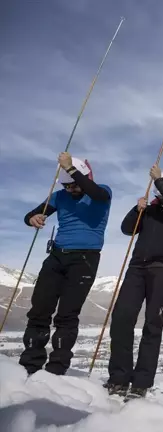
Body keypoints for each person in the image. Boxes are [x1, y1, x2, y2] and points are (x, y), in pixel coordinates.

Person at [104, 168, 163, 401]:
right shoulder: (150, 209)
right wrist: (138, 209)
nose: (161, 195)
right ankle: (119, 376)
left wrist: (158, 179)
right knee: (122, 318)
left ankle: (141, 382)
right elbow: (127, 229)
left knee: (153, 325)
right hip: (137, 268)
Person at [19, 153, 112, 376]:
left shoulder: (102, 191)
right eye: (67, 186)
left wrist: (71, 170)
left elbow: (95, 192)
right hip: (57, 256)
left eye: (73, 185)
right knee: (40, 309)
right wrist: (32, 218)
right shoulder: (59, 196)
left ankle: (56, 368)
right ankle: (30, 364)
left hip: (84, 259)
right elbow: (31, 214)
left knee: (67, 314)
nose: (70, 190)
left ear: (82, 176)